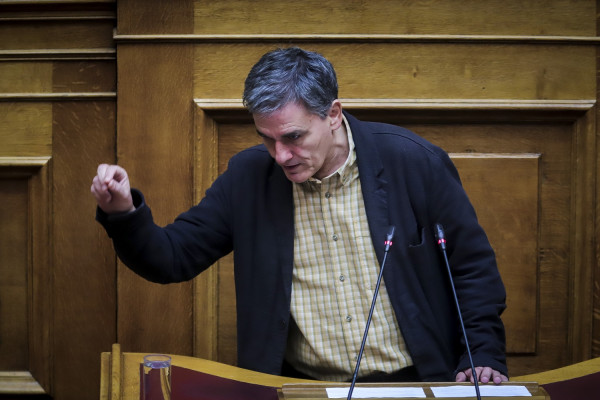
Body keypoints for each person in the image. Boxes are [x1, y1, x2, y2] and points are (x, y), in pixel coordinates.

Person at [92, 47, 508, 384]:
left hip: (415, 382)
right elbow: (172, 258)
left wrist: (483, 352)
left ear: (333, 114)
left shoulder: (414, 162)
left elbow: (471, 267)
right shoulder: (248, 178)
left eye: (293, 137)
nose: (281, 155)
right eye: (267, 139)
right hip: (300, 388)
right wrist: (123, 213)